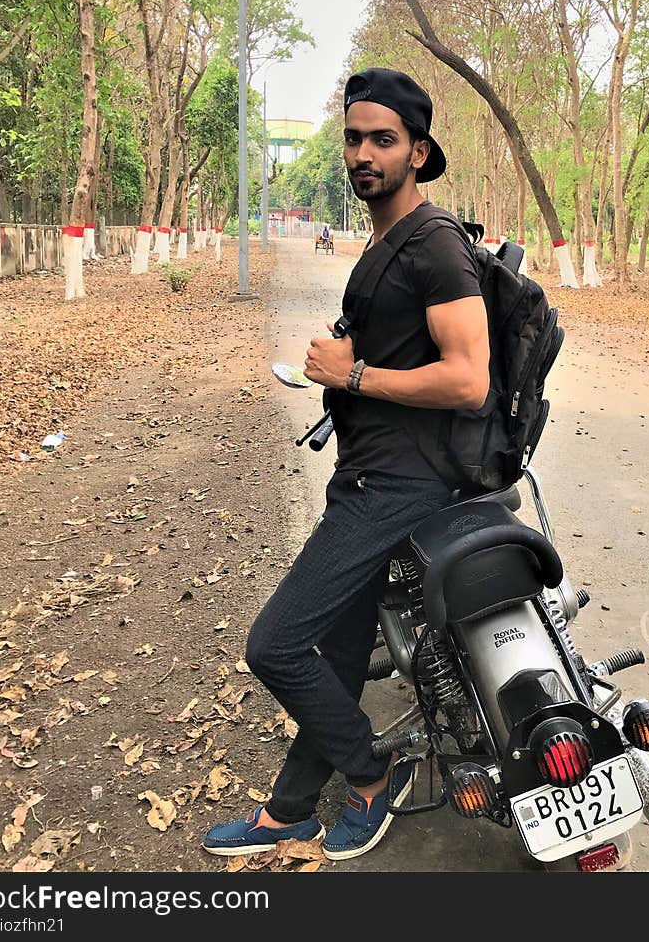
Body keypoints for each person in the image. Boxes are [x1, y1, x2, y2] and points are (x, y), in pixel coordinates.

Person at [202, 68, 489, 861]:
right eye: (354, 138)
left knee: (275, 643)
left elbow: (470, 378)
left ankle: (371, 774)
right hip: (365, 473)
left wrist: (353, 376)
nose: (364, 153)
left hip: (400, 487)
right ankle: (290, 807)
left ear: (418, 152)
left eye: (383, 140)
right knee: (333, 650)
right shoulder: (383, 242)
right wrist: (346, 360)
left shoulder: (436, 248)